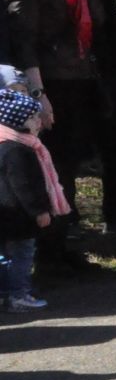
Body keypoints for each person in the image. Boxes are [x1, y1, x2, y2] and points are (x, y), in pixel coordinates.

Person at [4, 0, 116, 268]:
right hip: (51, 83)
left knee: (68, 165)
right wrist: (38, 95)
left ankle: (60, 246)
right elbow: (24, 43)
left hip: (79, 79)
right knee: (52, 165)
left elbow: (97, 25)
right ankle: (48, 252)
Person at [0, 87, 64, 311]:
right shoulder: (19, 150)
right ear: (19, 120)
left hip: (8, 215)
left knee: (7, 257)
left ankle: (8, 292)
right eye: (34, 117)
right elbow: (25, 186)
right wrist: (40, 211)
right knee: (23, 255)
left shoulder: (6, 145)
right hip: (18, 217)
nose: (39, 121)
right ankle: (18, 294)